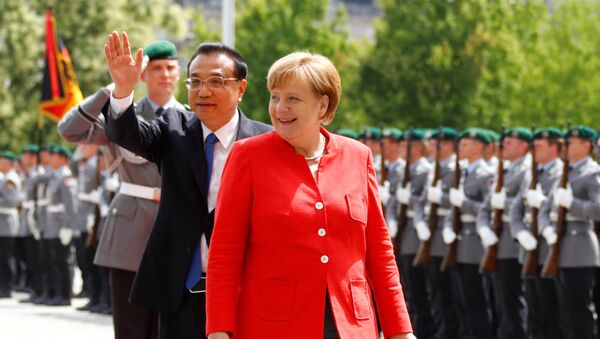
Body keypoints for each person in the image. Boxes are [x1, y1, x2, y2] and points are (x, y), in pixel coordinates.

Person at [206, 52, 414, 338]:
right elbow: (224, 253)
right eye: (275, 97)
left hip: (351, 326)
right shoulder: (247, 157)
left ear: (323, 105)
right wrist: (218, 329)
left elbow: (379, 252)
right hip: (273, 325)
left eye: (293, 99)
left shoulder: (357, 156)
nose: (280, 108)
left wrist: (400, 329)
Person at [103, 31, 272, 339]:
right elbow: (125, 134)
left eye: (217, 81)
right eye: (195, 81)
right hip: (181, 291)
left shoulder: (267, 142)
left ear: (241, 88)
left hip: (244, 292)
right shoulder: (173, 130)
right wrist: (123, 90)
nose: (203, 90)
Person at [58, 39, 184, 337]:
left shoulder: (192, 117)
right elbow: (69, 131)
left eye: (170, 67)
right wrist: (111, 91)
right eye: (156, 68)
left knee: (170, 325)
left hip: (175, 226)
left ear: (179, 73)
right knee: (130, 325)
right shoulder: (121, 113)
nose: (164, 74)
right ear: (142, 74)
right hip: (131, 228)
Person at [540, 125, 600, 339]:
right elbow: (545, 209)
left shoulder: (592, 173)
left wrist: (572, 203)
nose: (564, 147)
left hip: (579, 250)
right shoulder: (565, 172)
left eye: (569, 143)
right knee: (563, 314)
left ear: (586, 146)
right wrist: (546, 230)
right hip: (560, 248)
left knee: (579, 314)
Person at [476, 127, 532, 339]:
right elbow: (485, 208)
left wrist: (505, 203)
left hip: (513, 243)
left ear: (523, 146)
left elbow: (525, 206)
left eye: (510, 142)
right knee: (501, 304)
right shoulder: (505, 170)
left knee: (513, 303)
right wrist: (484, 230)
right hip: (497, 243)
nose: (504, 145)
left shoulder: (526, 171)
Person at [510, 127, 564, 339]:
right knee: (533, 311)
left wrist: (542, 204)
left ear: (553, 148)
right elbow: (516, 210)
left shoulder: (560, 173)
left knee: (552, 311)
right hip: (530, 250)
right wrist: (521, 234)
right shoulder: (532, 174)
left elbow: (558, 210)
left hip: (551, 250)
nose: (534, 150)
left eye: (539, 146)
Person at [443, 128, 495, 338]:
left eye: (467, 143)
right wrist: (447, 226)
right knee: (461, 303)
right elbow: (452, 210)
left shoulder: (486, 175)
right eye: (461, 143)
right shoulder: (462, 172)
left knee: (477, 304)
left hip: (475, 245)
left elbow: (487, 209)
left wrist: (463, 203)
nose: (461, 147)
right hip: (459, 243)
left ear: (480, 147)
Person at [0, 151, 21, 298]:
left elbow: (11, 201)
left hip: (7, 222)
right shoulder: (5, 177)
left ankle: (7, 288)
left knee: (7, 257)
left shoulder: (10, 178)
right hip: (3, 222)